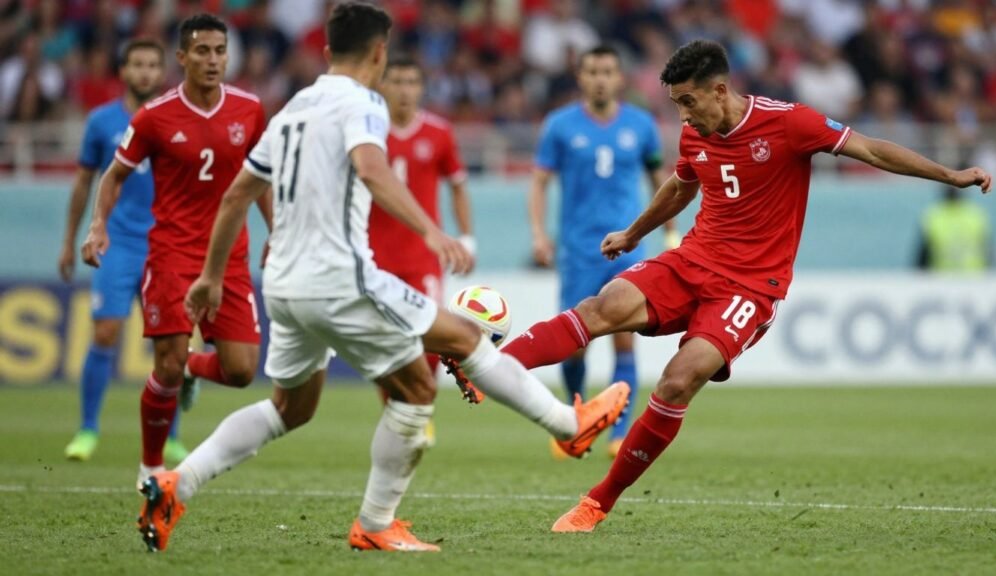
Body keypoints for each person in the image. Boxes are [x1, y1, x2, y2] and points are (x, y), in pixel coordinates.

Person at [135, 2, 629, 554]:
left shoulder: (293, 108)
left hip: (283, 282)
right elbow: (372, 167)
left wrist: (208, 277)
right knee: (448, 355)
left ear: (326, 52)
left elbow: (236, 196)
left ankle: (176, 483)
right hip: (338, 276)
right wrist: (432, 231)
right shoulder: (363, 102)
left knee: (290, 408)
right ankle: (565, 426)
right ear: (379, 52)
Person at [500, 39, 992, 533]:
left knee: (677, 381)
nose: (684, 116)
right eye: (676, 105)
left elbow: (869, 149)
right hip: (692, 260)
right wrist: (634, 233)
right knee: (600, 307)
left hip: (750, 286)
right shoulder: (695, 133)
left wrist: (949, 175)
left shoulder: (788, 123)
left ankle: (596, 504)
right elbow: (680, 186)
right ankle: (493, 367)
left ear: (719, 90)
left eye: (688, 102)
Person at [81, 14, 271, 490]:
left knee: (242, 370)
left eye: (220, 51)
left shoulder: (249, 110)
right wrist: (98, 224)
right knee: (164, 362)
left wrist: (278, 233)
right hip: (172, 254)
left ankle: (192, 367)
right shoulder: (154, 116)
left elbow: (260, 178)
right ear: (182, 58)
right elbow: (114, 175)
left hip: (228, 256)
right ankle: (149, 469)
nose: (213, 60)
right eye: (202, 51)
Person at [530, 44, 676, 458]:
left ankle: (618, 432)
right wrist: (540, 234)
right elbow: (539, 183)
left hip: (628, 248)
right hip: (578, 250)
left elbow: (661, 181)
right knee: (575, 345)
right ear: (581, 77)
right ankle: (576, 423)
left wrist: (670, 232)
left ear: (619, 78)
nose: (599, 78)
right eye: (592, 71)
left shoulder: (641, 125)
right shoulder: (559, 126)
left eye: (607, 71)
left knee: (625, 337)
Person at [59, 40, 191, 464]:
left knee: (170, 346)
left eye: (154, 64)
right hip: (119, 242)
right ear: (124, 70)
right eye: (138, 64)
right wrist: (70, 239)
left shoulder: (178, 119)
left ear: (162, 71)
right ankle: (87, 429)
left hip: (167, 245)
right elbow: (85, 183)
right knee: (105, 333)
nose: (147, 72)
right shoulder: (102, 123)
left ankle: (170, 435)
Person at [369, 55, 476, 443]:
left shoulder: (439, 132)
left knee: (430, 336)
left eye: (411, 81)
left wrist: (466, 238)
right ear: (383, 86)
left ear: (421, 87)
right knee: (384, 341)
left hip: (422, 257)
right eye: (396, 81)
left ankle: (420, 410)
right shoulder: (368, 132)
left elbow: (459, 186)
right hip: (374, 255)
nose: (403, 89)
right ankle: (398, 414)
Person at [916, 185, 993, 273]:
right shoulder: (977, 215)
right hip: (973, 278)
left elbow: (922, 257)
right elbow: (988, 252)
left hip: (942, 278)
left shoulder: (933, 215)